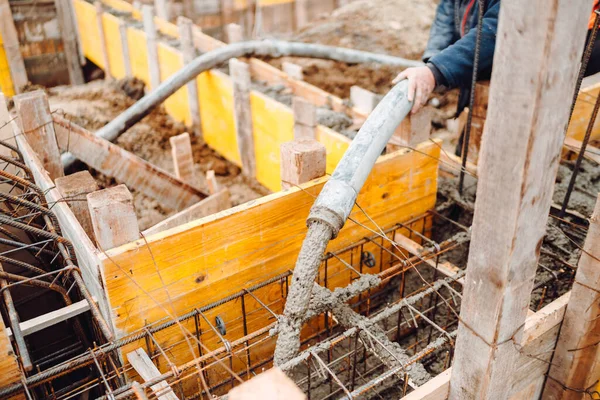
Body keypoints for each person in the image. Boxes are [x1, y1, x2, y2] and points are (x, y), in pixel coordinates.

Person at [393, 0, 500, 115]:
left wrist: (436, 71)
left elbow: (494, 29)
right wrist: (433, 62)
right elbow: (446, 15)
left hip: (505, 90)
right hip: (473, 76)